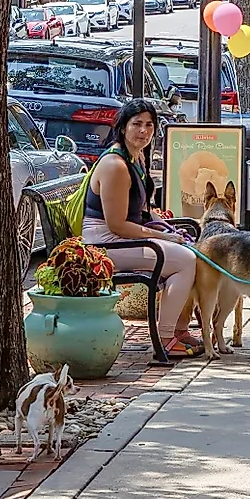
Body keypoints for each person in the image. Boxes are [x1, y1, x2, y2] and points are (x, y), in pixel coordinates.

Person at [82, 99, 199, 355]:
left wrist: (167, 228)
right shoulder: (115, 165)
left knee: (192, 254)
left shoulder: (137, 157)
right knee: (186, 261)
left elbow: (143, 211)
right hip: (105, 244)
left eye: (149, 125)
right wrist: (163, 236)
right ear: (123, 127)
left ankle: (180, 330)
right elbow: (118, 225)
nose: (143, 131)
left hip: (125, 237)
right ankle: (166, 338)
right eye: (136, 124)